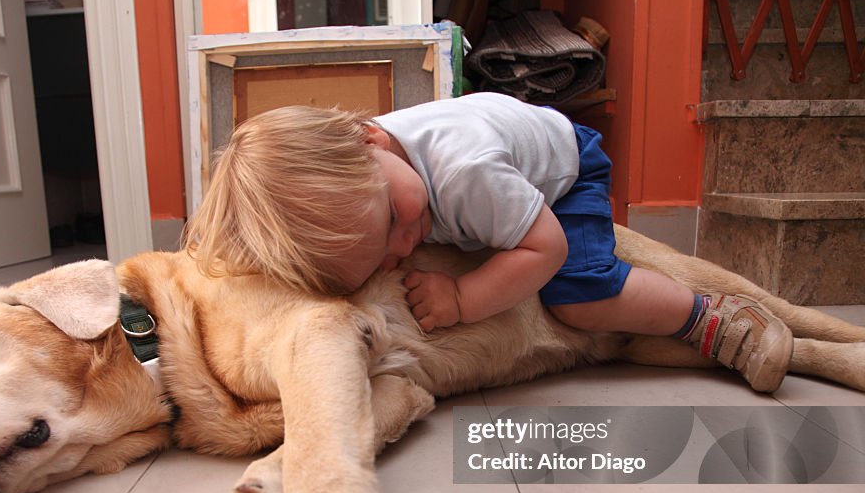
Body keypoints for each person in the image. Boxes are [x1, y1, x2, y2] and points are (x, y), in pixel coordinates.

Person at [184, 93, 793, 392]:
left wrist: (462, 298)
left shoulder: (462, 173)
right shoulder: (376, 166)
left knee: (577, 291)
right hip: (504, 155)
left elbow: (544, 249)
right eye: (387, 254)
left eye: (397, 215)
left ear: (368, 140)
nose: (408, 240)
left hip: (566, 167)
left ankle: (715, 320)